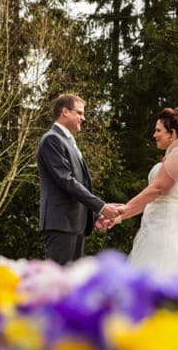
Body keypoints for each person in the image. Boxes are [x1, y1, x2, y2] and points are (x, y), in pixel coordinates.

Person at [108, 107, 178, 301]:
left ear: (172, 133)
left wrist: (125, 206)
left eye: (159, 130)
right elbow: (153, 197)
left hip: (170, 227)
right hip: (157, 223)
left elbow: (159, 188)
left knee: (166, 271)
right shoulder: (173, 155)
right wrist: (121, 215)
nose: (154, 134)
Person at [37, 94, 120, 264]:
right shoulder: (52, 140)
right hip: (60, 224)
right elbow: (67, 181)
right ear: (65, 111)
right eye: (80, 113)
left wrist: (95, 216)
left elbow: (80, 184)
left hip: (75, 224)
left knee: (71, 284)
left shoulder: (68, 141)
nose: (83, 118)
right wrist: (102, 206)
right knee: (58, 284)